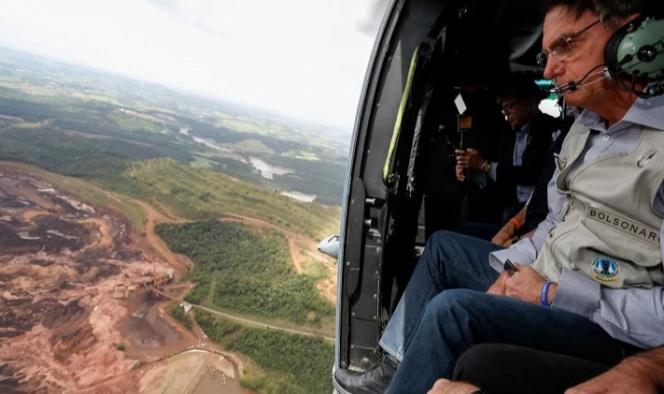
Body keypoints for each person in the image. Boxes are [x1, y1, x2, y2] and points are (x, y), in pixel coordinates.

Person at [335, 0, 664, 393]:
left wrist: (550, 293)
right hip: (547, 276)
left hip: (605, 323)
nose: (548, 69)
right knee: (446, 251)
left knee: (452, 312)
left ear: (633, 39)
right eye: (546, 54)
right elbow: (554, 226)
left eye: (566, 45)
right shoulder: (583, 132)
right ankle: (400, 363)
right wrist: (509, 273)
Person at [455, 76, 559, 225]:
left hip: (537, 204)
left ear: (530, 103)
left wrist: (484, 165)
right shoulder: (508, 132)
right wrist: (470, 166)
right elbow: (498, 164)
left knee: (507, 215)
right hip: (508, 199)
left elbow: (530, 173)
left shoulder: (548, 129)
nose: (506, 113)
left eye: (510, 107)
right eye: (503, 108)